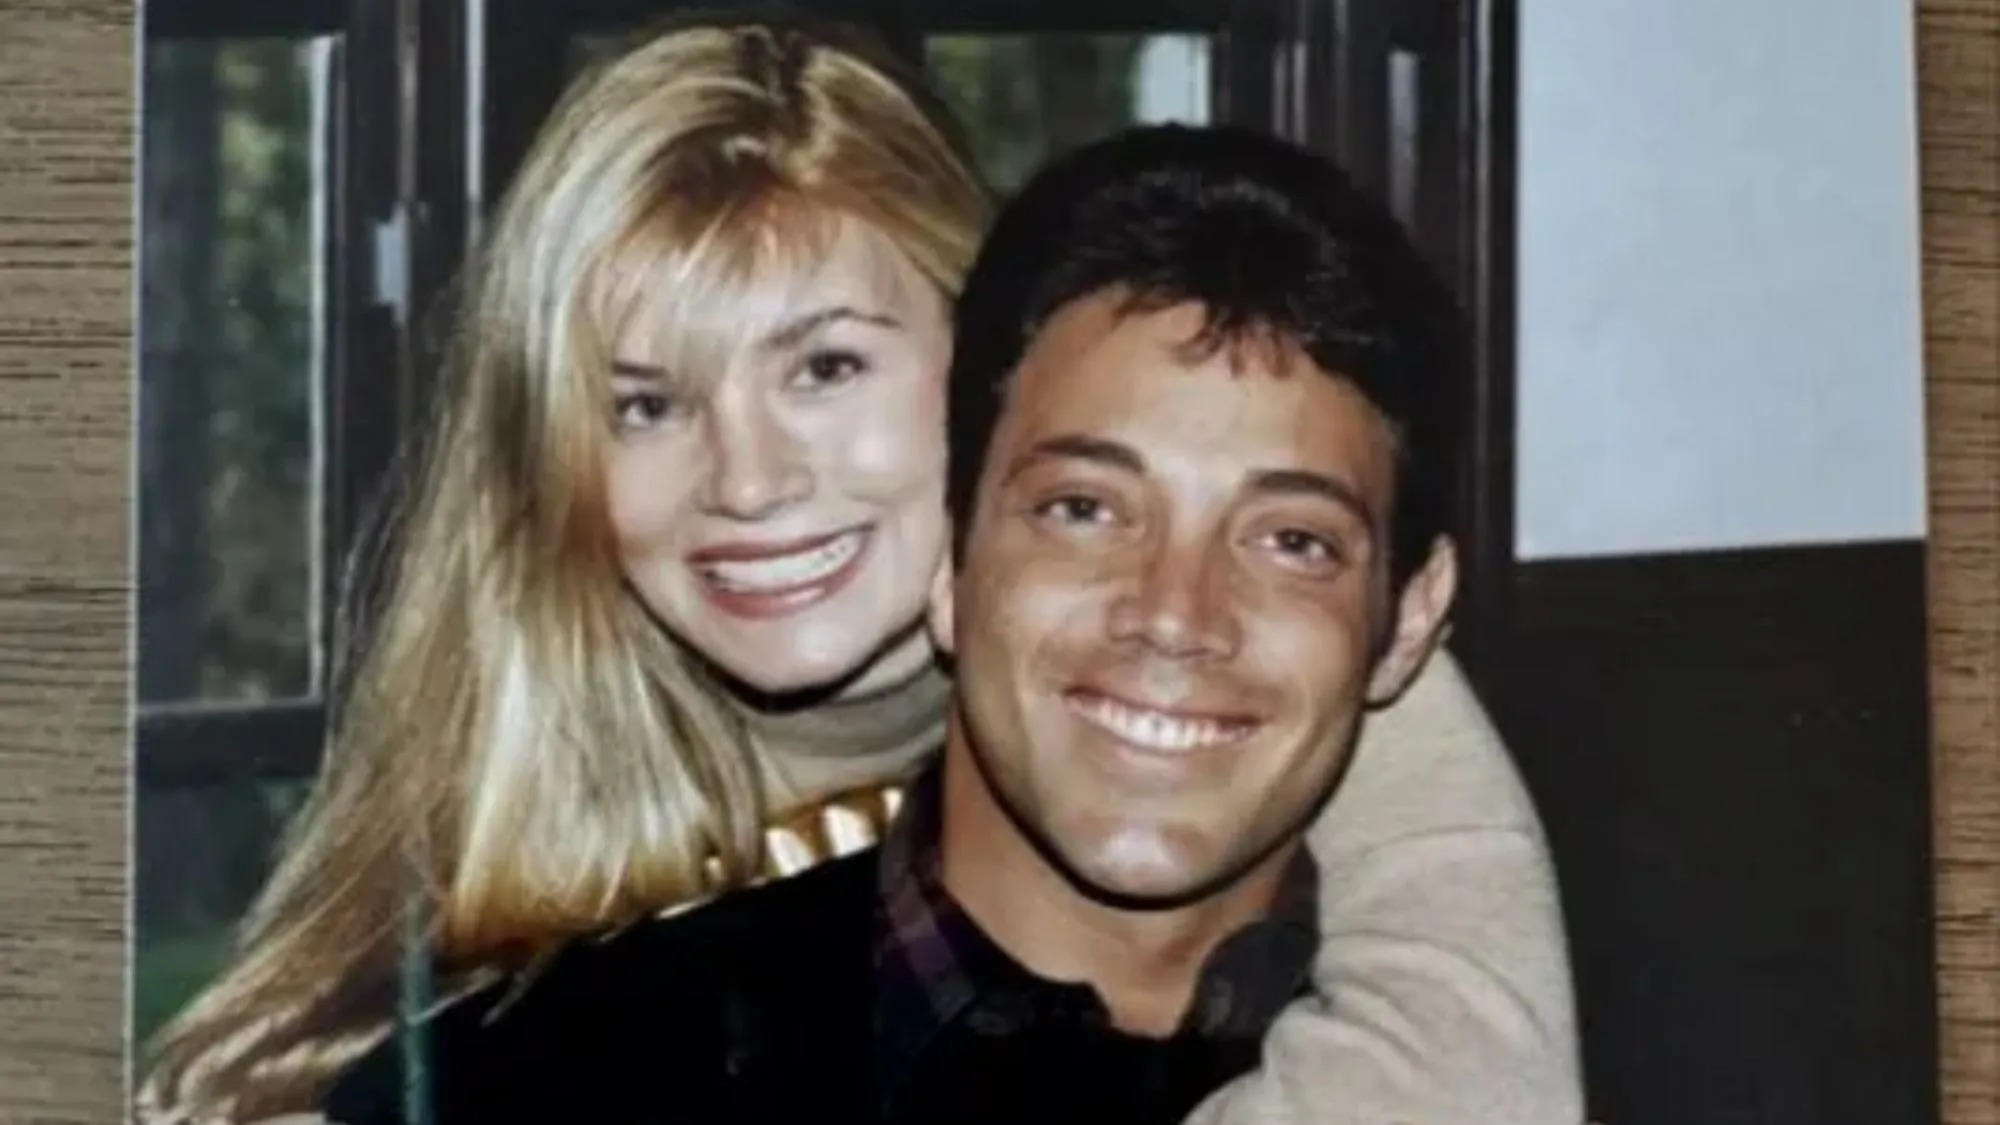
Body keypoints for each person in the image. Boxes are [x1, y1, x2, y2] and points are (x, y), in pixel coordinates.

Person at [138, 15, 1577, 1125]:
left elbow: (1467, 1056)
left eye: (824, 367)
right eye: (646, 403)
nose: (748, 479)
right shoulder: (529, 855)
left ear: (987, 373)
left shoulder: (1235, 648)